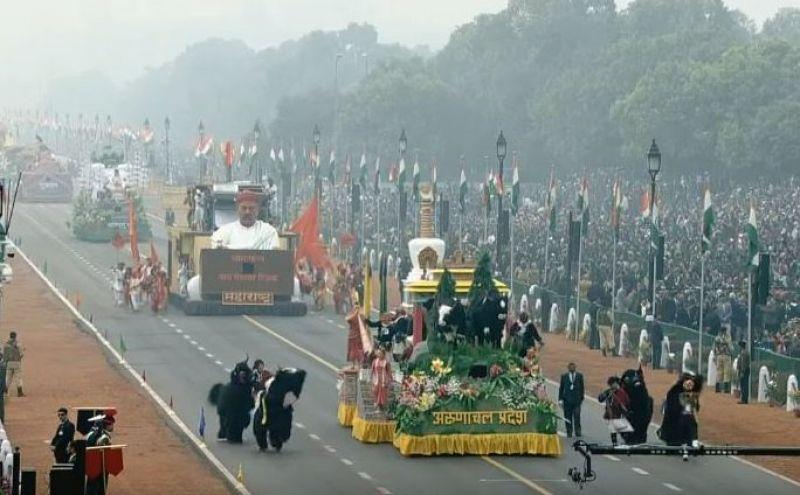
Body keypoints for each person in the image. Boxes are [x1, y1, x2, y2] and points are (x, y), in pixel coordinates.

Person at [210, 190, 279, 250]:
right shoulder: (225, 231)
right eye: (244, 208)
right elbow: (216, 248)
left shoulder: (268, 231)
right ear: (237, 209)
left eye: (251, 208)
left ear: (258, 210)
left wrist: (228, 248)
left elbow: (274, 254)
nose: (247, 212)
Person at [659, 373, 703, 459]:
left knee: (692, 425)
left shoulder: (693, 394)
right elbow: (671, 407)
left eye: (691, 384)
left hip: (687, 418)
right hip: (673, 420)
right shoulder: (675, 391)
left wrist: (692, 404)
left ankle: (693, 445)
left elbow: (694, 408)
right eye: (688, 384)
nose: (689, 385)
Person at [598, 376, 632, 446]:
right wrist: (603, 396)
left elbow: (627, 402)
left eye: (614, 383)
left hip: (621, 413)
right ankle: (614, 443)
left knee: (623, 429)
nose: (613, 385)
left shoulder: (622, 392)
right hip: (611, 413)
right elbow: (600, 399)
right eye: (611, 384)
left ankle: (626, 441)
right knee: (613, 430)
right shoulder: (608, 391)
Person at [558, 362, 584, 438]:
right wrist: (560, 399)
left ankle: (578, 431)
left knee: (577, 416)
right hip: (567, 400)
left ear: (575, 367)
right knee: (568, 417)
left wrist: (581, 397)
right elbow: (561, 388)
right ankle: (569, 431)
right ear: (568, 368)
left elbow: (582, 387)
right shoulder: (564, 376)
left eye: (573, 367)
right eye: (570, 367)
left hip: (577, 400)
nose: (572, 368)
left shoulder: (579, 376)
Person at [3, 331, 24, 397]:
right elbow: (21, 354)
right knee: (18, 377)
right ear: (15, 336)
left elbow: (4, 355)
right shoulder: (18, 344)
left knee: (8, 378)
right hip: (16, 362)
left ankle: (5, 391)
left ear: (10, 336)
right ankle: (19, 392)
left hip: (8, 363)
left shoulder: (6, 344)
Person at [713, 327, 733, 393]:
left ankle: (717, 388)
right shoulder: (727, 337)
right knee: (726, 372)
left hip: (719, 355)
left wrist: (714, 355)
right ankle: (726, 389)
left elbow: (714, 347)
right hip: (726, 355)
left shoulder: (717, 337)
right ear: (725, 331)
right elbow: (730, 347)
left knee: (719, 372)